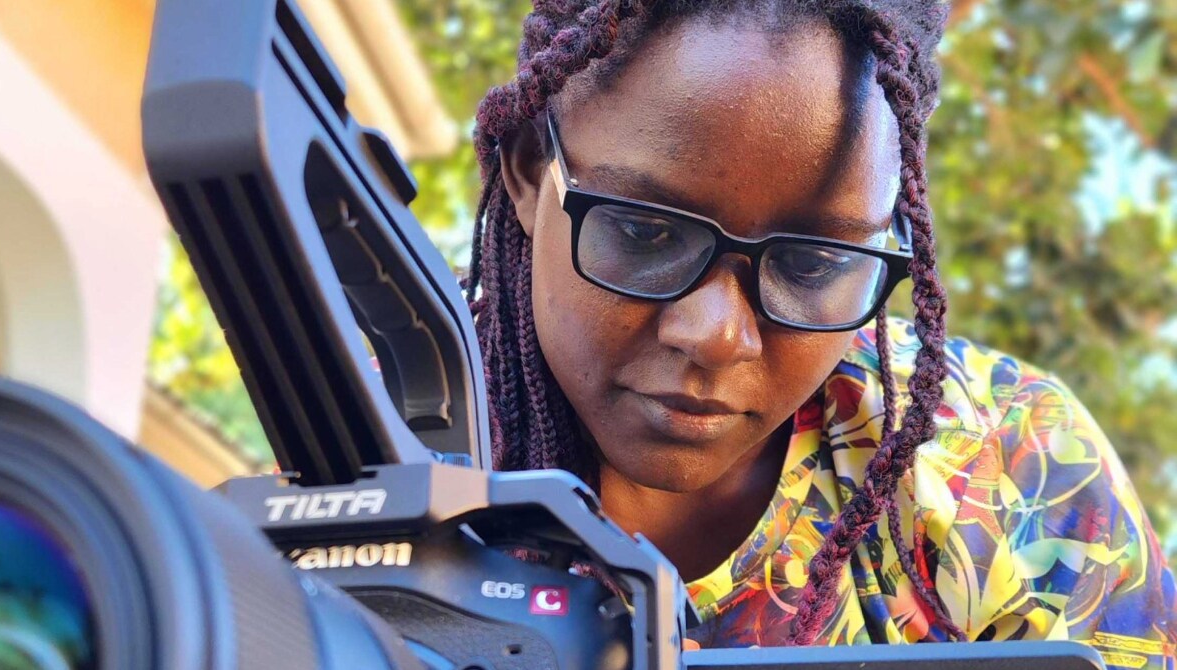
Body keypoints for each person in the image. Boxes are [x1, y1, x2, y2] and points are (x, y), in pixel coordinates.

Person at [460, 0, 1177, 665]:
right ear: (528, 170)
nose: (716, 336)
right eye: (647, 232)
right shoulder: (360, 417)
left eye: (811, 264)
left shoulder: (1014, 463)